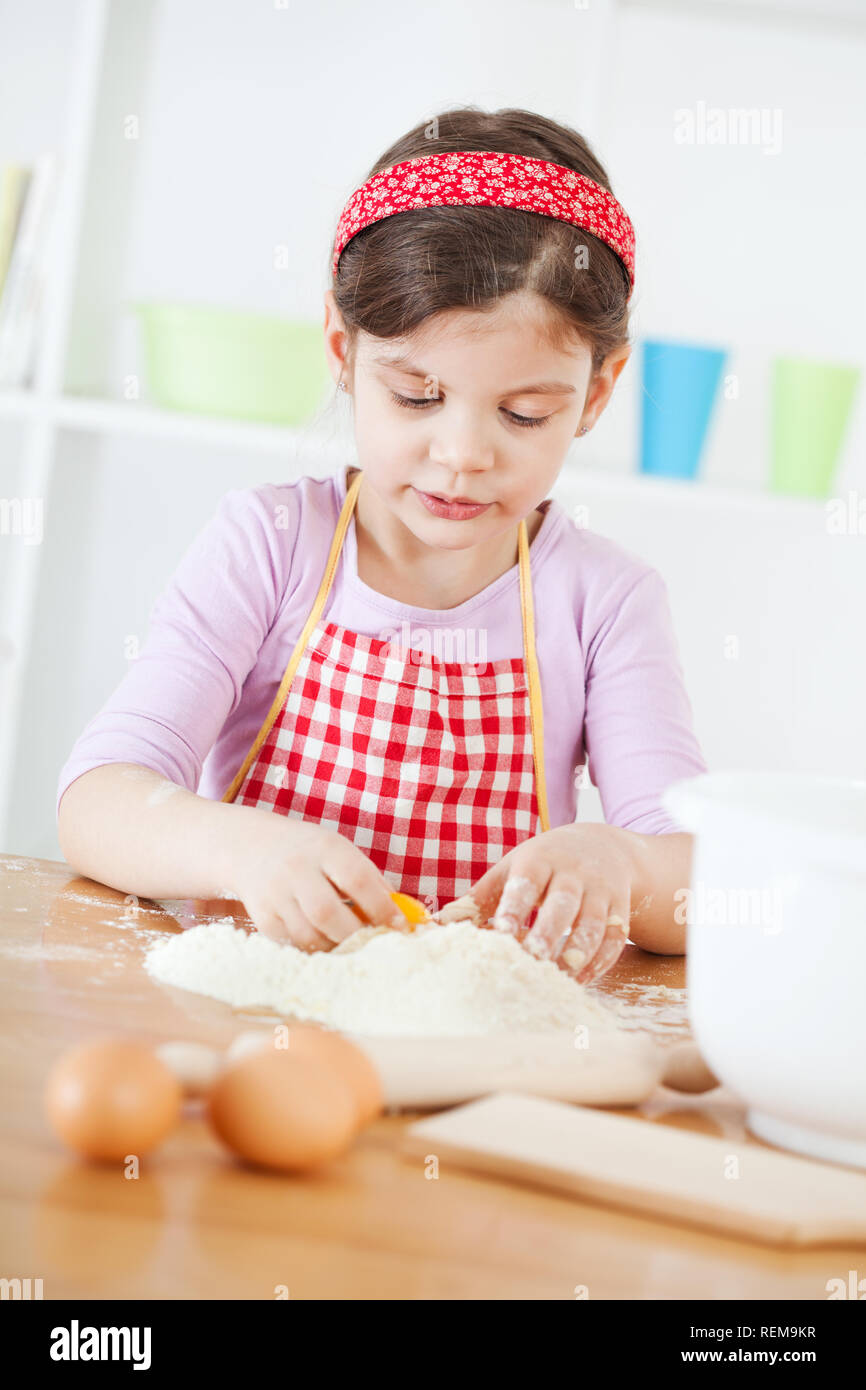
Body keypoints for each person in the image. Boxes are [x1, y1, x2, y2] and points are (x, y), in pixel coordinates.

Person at [56, 107, 708, 984]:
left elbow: (703, 879)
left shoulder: (605, 602)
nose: (464, 455)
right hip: (247, 1012)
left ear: (598, 392)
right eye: (415, 395)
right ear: (342, 349)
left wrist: (623, 866)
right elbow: (97, 798)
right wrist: (240, 850)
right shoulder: (272, 545)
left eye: (525, 414)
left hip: (472, 1045)